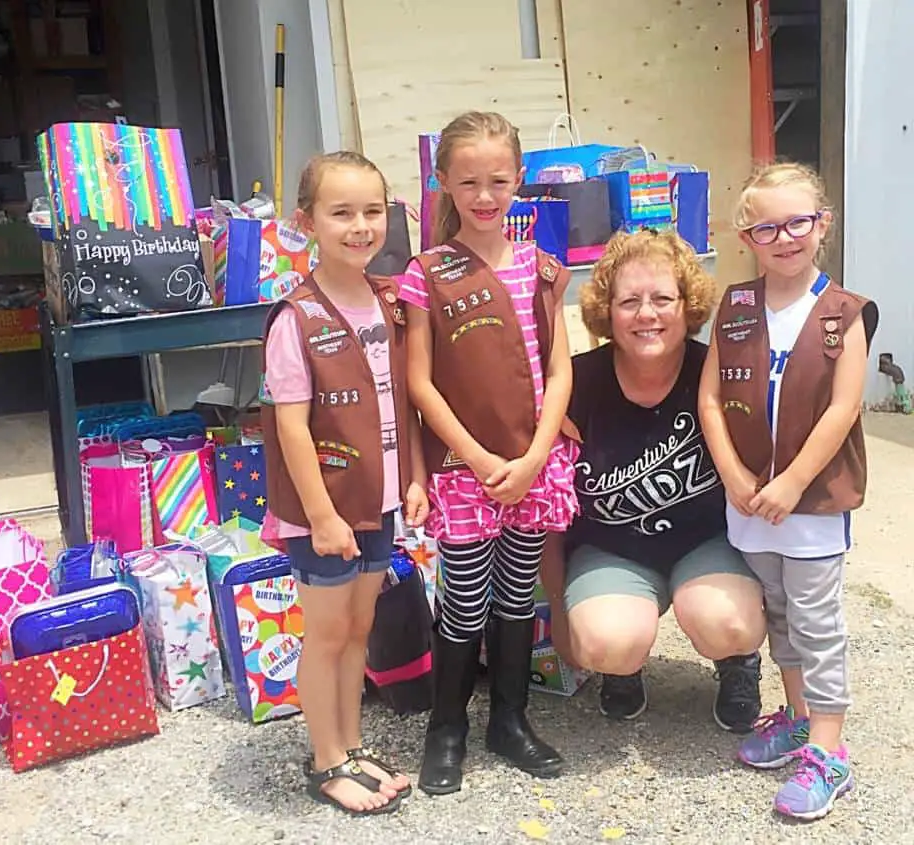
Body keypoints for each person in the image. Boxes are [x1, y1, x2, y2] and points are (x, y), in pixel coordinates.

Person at [400, 111, 578, 796]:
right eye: (467, 180)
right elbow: (420, 380)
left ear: (519, 181)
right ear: (441, 180)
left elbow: (559, 370)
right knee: (464, 601)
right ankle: (447, 728)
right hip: (466, 470)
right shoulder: (427, 273)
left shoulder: (541, 267)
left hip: (532, 465)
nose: (483, 194)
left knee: (515, 596)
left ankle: (510, 719)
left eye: (497, 180)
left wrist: (535, 457)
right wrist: (475, 458)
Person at [699, 162, 878, 821]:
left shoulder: (843, 313)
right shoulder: (737, 306)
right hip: (750, 504)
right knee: (778, 616)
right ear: (748, 237)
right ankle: (802, 718)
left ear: (822, 225)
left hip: (811, 505)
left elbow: (843, 408)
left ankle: (829, 752)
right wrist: (737, 476)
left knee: (817, 621)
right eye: (766, 226)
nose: (784, 237)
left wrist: (794, 481)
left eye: (797, 221)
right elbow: (712, 398)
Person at [540, 230, 766, 732]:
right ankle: (624, 669)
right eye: (629, 301)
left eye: (663, 298)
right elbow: (549, 507)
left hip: (707, 543)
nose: (647, 314)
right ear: (606, 310)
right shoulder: (573, 384)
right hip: (610, 548)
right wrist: (556, 605)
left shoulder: (718, 372)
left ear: (688, 305)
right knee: (606, 642)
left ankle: (737, 663)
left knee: (728, 622)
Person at [260, 151, 430, 816]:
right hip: (324, 513)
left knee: (359, 626)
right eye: (341, 213)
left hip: (379, 502)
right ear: (307, 222)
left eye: (371, 211)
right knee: (326, 633)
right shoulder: (294, 319)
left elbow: (406, 404)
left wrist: (413, 478)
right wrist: (322, 515)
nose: (360, 226)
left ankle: (354, 745)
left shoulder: (390, 300)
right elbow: (293, 430)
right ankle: (327, 756)